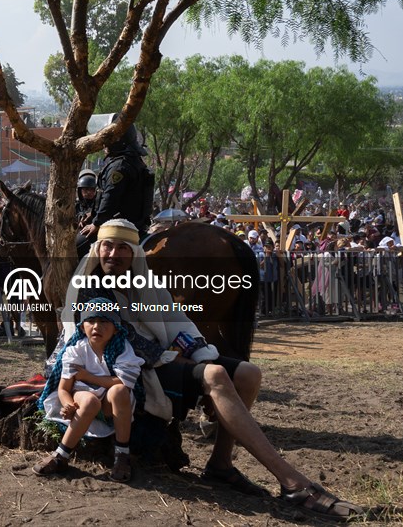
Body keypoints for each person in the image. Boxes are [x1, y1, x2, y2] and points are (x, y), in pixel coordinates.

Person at [67, 218, 362, 521]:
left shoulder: (144, 284)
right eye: (107, 245)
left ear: (133, 253)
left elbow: (176, 321)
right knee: (215, 375)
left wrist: (197, 349)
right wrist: (180, 359)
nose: (113, 254)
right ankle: (293, 483)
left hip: (162, 360)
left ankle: (220, 464)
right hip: (130, 372)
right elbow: (123, 342)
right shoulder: (92, 288)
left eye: (121, 247)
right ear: (97, 249)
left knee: (249, 374)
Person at [34, 307, 143, 481]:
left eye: (104, 321)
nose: (96, 327)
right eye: (91, 321)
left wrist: (87, 376)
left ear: (115, 327)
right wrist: (68, 404)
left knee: (120, 391)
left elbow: (124, 382)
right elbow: (64, 388)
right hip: (83, 399)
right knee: (90, 401)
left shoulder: (122, 348)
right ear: (82, 327)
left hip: (110, 406)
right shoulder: (76, 349)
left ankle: (122, 454)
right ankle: (61, 454)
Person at [78, 119, 155, 255]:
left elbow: (110, 198)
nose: (104, 144)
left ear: (116, 141)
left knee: (74, 248)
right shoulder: (133, 160)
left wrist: (96, 223)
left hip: (119, 226)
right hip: (136, 223)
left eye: (107, 139)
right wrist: (93, 214)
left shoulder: (118, 167)